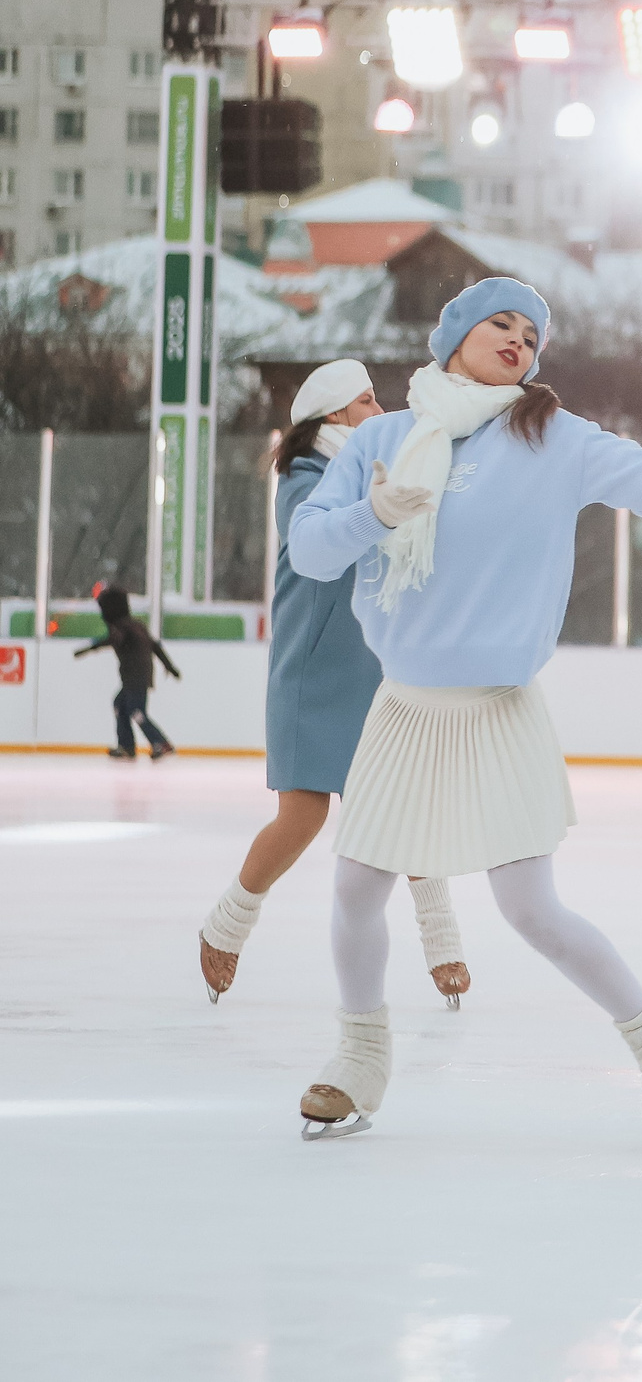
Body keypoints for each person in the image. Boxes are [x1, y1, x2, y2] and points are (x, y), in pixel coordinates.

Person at [284, 278, 642, 1147]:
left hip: (497, 708)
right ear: (453, 335)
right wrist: (373, 512)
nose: (520, 340)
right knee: (354, 889)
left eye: (533, 333)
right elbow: (308, 548)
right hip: (403, 708)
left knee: (532, 910)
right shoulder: (379, 438)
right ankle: (358, 1060)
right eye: (501, 324)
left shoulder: (550, 437)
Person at [196, 360, 471, 1008]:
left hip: (375, 670)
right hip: (312, 670)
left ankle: (442, 938)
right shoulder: (304, 478)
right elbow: (320, 538)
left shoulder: (386, 466)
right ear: (333, 414)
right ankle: (225, 926)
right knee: (303, 814)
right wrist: (376, 507)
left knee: (404, 806)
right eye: (367, 399)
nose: (378, 409)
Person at [74, 584, 179, 760]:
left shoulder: (121, 628)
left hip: (134, 677)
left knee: (136, 711)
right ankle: (127, 746)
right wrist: (169, 667)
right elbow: (156, 647)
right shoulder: (137, 626)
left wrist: (88, 649)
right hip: (137, 676)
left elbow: (114, 639)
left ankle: (161, 743)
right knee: (120, 705)